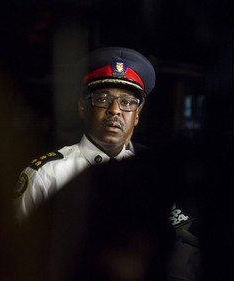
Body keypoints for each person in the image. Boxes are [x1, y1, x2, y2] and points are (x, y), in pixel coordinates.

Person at [14, 46, 156, 222]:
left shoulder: (150, 175)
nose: (115, 110)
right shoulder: (48, 174)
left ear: (136, 116)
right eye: (102, 99)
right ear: (83, 108)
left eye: (127, 102)